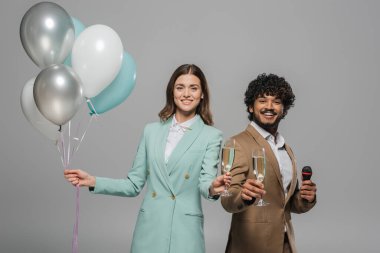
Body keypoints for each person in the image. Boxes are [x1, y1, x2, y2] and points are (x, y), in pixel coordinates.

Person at [64, 64, 230, 253]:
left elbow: (205, 183)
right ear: (172, 92)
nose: (186, 94)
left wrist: (213, 188)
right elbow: (133, 184)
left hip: (185, 230)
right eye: (180, 87)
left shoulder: (211, 136)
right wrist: (94, 181)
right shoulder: (151, 131)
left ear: (202, 94)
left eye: (193, 88)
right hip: (150, 227)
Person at [221, 73, 317, 253]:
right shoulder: (237, 144)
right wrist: (243, 195)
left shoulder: (286, 148)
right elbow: (227, 199)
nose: (269, 107)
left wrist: (305, 198)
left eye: (277, 101)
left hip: (285, 243)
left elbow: (285, 204)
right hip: (251, 246)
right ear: (251, 106)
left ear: (284, 109)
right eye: (262, 100)